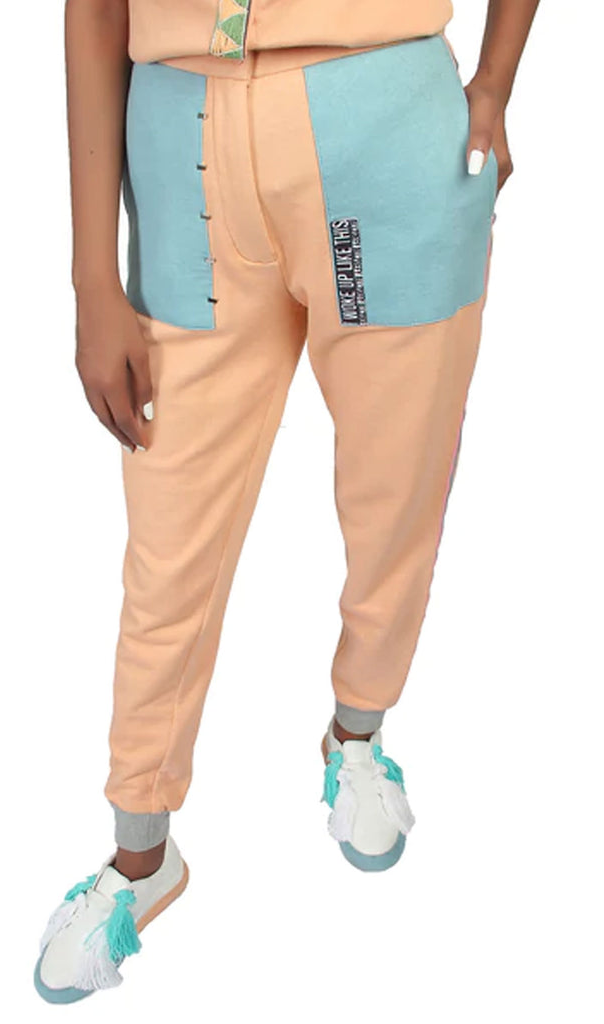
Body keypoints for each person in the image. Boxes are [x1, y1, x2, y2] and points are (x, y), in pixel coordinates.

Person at [34, 0, 541, 1002]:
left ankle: (357, 735)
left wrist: (492, 84)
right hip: (182, 144)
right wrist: (92, 277)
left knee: (395, 488)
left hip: (386, 131)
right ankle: (141, 852)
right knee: (169, 539)